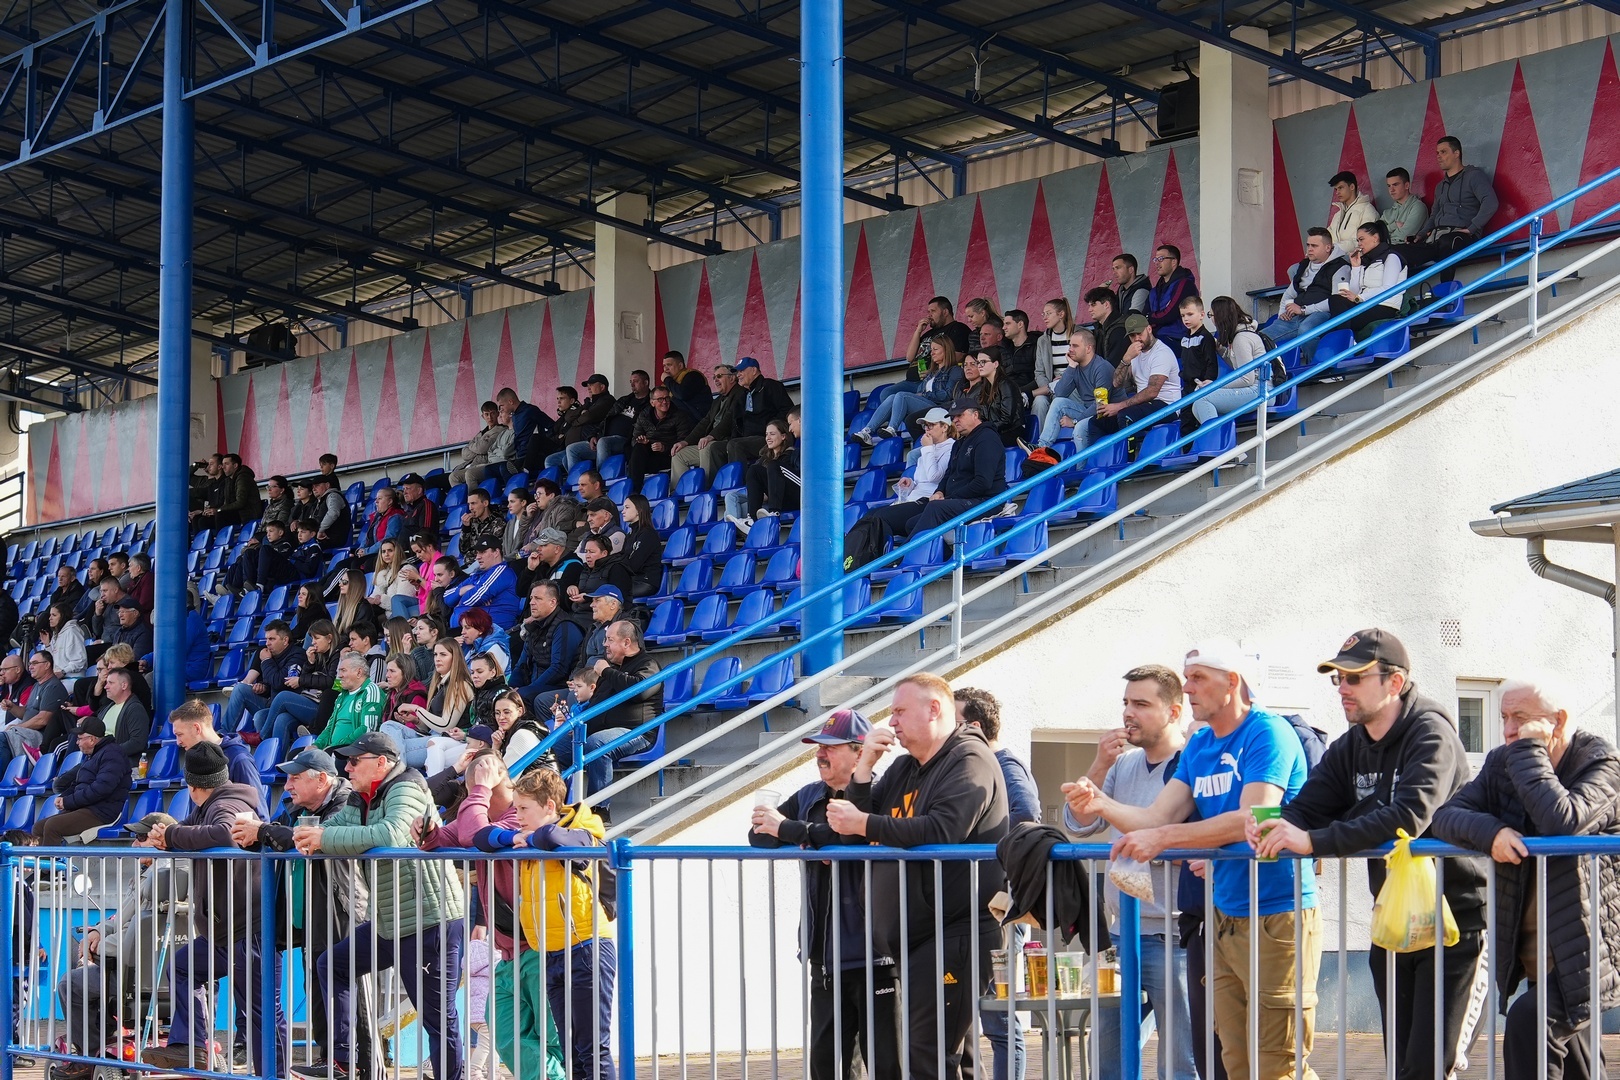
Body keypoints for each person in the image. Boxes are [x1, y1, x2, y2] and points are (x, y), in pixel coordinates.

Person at [1063, 643, 1319, 1080]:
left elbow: (1253, 817)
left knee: (1278, 1061)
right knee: (1234, 1060)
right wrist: (1101, 804)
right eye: (1187, 677)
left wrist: (1162, 838)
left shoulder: (1268, 732)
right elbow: (1155, 817)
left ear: (1232, 682)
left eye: (1198, 678)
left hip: (1277, 911)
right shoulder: (1200, 743)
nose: (1188, 687)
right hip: (1222, 914)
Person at [1252, 629, 1488, 1080]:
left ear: (1394, 682)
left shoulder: (1431, 732)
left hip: (1455, 924)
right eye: (1338, 678)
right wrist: (1272, 827)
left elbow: (1409, 816)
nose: (1343, 687)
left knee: (1430, 1067)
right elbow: (1307, 808)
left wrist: (1315, 841)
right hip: (1394, 923)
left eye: (1355, 678)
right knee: (1401, 1067)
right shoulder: (1351, 745)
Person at [1432, 673, 1620, 1080]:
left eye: (1520, 718)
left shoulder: (1601, 763)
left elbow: (1561, 820)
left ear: (1559, 720)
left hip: (1592, 952)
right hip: (1538, 953)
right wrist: (1492, 833)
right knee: (1580, 1064)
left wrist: (1529, 752)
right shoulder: (1503, 763)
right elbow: (1445, 816)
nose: (1508, 730)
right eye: (1503, 717)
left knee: (1529, 1024)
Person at [825, 674, 1008, 1080]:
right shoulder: (906, 767)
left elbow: (943, 829)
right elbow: (852, 832)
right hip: (917, 937)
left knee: (928, 1057)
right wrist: (863, 769)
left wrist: (865, 823)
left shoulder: (971, 759)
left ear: (934, 709)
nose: (892, 722)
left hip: (955, 931)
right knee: (949, 1058)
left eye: (899, 711)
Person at [291, 731, 467, 1080]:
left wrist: (323, 838)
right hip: (392, 920)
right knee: (333, 964)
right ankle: (344, 1062)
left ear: (382, 763)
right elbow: (329, 828)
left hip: (428, 919)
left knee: (437, 1019)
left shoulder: (406, 786)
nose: (347, 767)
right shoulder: (362, 797)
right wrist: (289, 834)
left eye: (355, 761)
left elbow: (391, 834)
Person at [1062, 665, 1197, 1080]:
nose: (1128, 713)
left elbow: (1193, 838)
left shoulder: (1192, 763)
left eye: (1141, 704)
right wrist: (1100, 763)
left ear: (1174, 712)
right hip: (1121, 934)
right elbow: (1077, 824)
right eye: (1125, 703)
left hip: (1174, 936)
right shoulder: (1123, 765)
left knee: (1180, 1061)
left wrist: (1154, 846)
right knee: (1109, 1057)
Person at [750, 709, 899, 1080]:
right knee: (826, 1068)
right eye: (818, 746)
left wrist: (796, 832)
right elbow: (759, 836)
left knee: (888, 1066)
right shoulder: (810, 795)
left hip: (877, 957)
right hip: (826, 958)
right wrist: (799, 832)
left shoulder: (880, 794)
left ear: (859, 752)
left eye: (830, 747)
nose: (820, 753)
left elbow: (847, 837)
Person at [229, 747, 374, 1080]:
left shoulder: (346, 802)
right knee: (320, 991)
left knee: (350, 997)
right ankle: (330, 1060)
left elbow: (310, 840)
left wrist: (262, 831)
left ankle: (360, 1066)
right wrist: (251, 833)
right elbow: (276, 835)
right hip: (310, 916)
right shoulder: (296, 808)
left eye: (295, 778)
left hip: (341, 912)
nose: (288, 785)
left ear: (321, 779)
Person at [142, 743, 287, 1075]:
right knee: (183, 968)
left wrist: (173, 835)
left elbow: (225, 834)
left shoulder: (227, 804)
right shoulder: (209, 805)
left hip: (249, 928)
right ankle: (190, 1045)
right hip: (224, 930)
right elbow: (186, 831)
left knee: (262, 1011)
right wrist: (165, 838)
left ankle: (274, 1075)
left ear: (193, 786)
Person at [472, 767, 614, 1080]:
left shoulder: (580, 830)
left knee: (593, 1049)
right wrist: (512, 836)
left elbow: (553, 836)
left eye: (524, 808)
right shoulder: (526, 837)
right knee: (570, 1049)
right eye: (516, 808)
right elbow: (480, 838)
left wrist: (531, 837)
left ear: (550, 806)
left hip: (586, 947)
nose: (517, 815)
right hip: (551, 952)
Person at [53, 813, 187, 1075]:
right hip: (179, 978)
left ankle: (90, 1055)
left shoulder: (155, 878)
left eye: (141, 837)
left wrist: (96, 948)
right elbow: (123, 920)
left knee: (71, 984)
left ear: (160, 839)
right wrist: (98, 931)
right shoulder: (183, 876)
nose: (134, 844)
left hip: (136, 976)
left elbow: (133, 934)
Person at [954, 689, 1037, 1080]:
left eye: (953, 723)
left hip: (1001, 908)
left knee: (999, 1019)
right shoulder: (974, 766)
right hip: (979, 907)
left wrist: (986, 844)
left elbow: (1027, 815)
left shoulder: (1005, 765)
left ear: (974, 726)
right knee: (977, 1013)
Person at [852, 400, 1005, 544]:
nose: (955, 420)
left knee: (934, 508)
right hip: (958, 499)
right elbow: (948, 475)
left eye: (960, 415)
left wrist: (949, 497)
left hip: (986, 501)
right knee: (910, 523)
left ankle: (905, 556)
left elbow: (983, 482)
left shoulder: (987, 439)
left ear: (975, 415)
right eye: (953, 417)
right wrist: (939, 492)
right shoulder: (960, 443)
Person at [564, 620, 661, 804]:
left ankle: (599, 810)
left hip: (637, 733)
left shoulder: (648, 664)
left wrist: (607, 671)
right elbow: (596, 703)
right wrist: (578, 725)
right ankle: (554, 808)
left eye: (609, 639)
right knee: (554, 746)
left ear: (626, 642)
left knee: (596, 744)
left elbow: (640, 692)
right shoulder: (611, 669)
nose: (604, 644)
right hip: (603, 730)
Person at [1074, 314, 1182, 456]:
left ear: (1149, 329)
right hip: (1144, 406)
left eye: (1139, 333)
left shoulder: (1162, 353)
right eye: (1132, 335)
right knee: (1096, 423)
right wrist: (1126, 359)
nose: (1136, 338)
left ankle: (1127, 462)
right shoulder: (1134, 354)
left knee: (1125, 416)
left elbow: (1152, 392)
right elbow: (1117, 383)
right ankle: (1098, 462)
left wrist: (1119, 406)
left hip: (1168, 406)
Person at [1402, 136, 1500, 283]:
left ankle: (1446, 292)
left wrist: (1472, 228)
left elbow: (1491, 202)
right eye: (1437, 153)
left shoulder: (1473, 176)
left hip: (1463, 237)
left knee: (1448, 241)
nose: (1439, 156)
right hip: (1437, 237)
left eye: (1443, 152)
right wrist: (1420, 235)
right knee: (1399, 251)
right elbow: (1434, 215)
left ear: (1456, 153)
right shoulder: (1440, 186)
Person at [36, 716, 130, 844]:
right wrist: (64, 796)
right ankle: (41, 857)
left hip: (101, 811)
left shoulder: (112, 754)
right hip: (86, 807)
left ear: (92, 739)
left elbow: (101, 789)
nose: (77, 742)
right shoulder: (93, 755)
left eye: (80, 739)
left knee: (52, 826)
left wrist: (68, 802)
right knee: (38, 828)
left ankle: (52, 857)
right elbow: (78, 783)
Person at [853, 337, 962, 445]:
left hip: (938, 408)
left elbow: (947, 395)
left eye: (935, 349)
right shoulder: (931, 373)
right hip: (926, 405)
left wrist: (924, 394)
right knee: (892, 397)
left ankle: (892, 428)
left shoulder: (954, 370)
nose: (932, 353)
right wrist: (921, 394)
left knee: (902, 395)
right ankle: (867, 432)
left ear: (946, 350)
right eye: (931, 349)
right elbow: (919, 391)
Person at [170, 698, 268, 814]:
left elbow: (259, 814)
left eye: (179, 734)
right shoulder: (194, 758)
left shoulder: (239, 759)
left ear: (197, 728)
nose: (178, 742)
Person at [1266, 229, 1347, 360]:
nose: (1309, 249)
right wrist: (1282, 313)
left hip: (1322, 313)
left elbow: (1337, 300)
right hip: (1297, 315)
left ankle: (1317, 368)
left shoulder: (1341, 267)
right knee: (1258, 338)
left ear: (1328, 248)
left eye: (1314, 246)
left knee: (1306, 330)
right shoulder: (1303, 266)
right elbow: (1289, 294)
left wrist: (1304, 310)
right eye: (1308, 245)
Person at [1190, 297, 1270, 426]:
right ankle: (1216, 436)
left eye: (1211, 315)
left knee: (1203, 399)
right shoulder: (1239, 336)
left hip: (1259, 390)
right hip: (1256, 388)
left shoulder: (1241, 338)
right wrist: (1219, 348)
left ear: (1221, 317)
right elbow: (1237, 364)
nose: (1211, 319)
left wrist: (1215, 385)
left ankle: (1215, 437)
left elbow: (1247, 379)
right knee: (1196, 405)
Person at [1031, 330, 1114, 452]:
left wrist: (1075, 421)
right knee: (1058, 402)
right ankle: (1042, 447)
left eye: (1075, 346)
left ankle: (1081, 464)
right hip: (1088, 411)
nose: (1070, 349)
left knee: (1079, 427)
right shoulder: (1076, 366)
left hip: (1108, 415)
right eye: (1070, 345)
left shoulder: (1101, 367)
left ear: (1088, 348)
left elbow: (1100, 405)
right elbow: (1059, 393)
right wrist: (1071, 366)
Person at [1328, 220, 1407, 337]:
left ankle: (1346, 341)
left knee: (1336, 315)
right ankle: (1346, 340)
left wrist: (1360, 298)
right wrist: (1355, 267)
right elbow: (1354, 291)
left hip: (1385, 306)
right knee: (1335, 300)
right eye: (1358, 241)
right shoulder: (1365, 261)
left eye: (1361, 239)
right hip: (1365, 305)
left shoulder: (1391, 257)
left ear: (1375, 238)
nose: (1359, 244)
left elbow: (1388, 288)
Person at [668, 365, 744, 484]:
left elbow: (729, 420)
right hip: (713, 442)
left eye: (719, 376)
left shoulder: (740, 394)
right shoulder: (717, 400)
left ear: (732, 378)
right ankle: (679, 491)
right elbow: (705, 422)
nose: (716, 380)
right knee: (679, 454)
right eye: (714, 377)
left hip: (729, 441)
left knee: (706, 447)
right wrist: (685, 442)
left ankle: (706, 488)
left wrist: (710, 436)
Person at [514, 581, 586, 706]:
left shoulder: (565, 626)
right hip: (534, 684)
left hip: (559, 686)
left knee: (522, 696)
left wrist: (528, 689)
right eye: (531, 598)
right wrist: (511, 688)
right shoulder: (534, 625)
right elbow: (521, 664)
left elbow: (559, 669)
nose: (531, 602)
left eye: (538, 598)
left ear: (552, 602)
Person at [222, 618, 297, 732]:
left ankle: (264, 740)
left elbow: (280, 683)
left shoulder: (296, 655)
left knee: (259, 717)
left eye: (272, 639)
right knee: (240, 689)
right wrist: (263, 688)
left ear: (285, 640)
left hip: (286, 709)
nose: (267, 643)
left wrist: (266, 660)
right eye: (266, 639)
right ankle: (224, 733)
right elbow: (270, 684)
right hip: (269, 703)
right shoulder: (269, 653)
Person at [1, 651, 68, 764]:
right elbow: (26, 713)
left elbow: (42, 720)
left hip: (38, 736)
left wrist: (18, 727)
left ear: (47, 665)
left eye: (35, 663)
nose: (30, 667)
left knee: (2, 739)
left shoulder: (53, 686)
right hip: (25, 732)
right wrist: (12, 707)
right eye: (30, 664)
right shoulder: (36, 685)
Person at [723, 357, 793, 465]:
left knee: (735, 445)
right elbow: (736, 423)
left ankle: (740, 477)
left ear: (754, 370)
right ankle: (723, 477)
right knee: (715, 448)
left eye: (742, 371)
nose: (738, 375)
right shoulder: (742, 395)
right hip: (745, 439)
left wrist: (770, 428)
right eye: (737, 372)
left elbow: (787, 409)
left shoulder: (770, 386)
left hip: (765, 437)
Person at [446, 537, 522, 630]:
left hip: (493, 632)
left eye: (482, 552)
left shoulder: (501, 572)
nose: (477, 557)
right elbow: (447, 598)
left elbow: (473, 599)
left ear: (496, 552)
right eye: (477, 553)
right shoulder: (478, 574)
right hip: (471, 631)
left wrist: (459, 602)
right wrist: (465, 589)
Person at [314, 653, 385, 752]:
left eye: (343, 670)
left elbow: (367, 730)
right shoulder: (341, 696)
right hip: (333, 748)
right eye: (339, 671)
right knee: (296, 753)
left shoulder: (371, 691)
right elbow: (329, 727)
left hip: (354, 750)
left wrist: (336, 746)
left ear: (359, 672)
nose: (340, 676)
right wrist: (317, 745)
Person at [551, 374, 618, 470]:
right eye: (588, 385)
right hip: (581, 443)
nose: (588, 388)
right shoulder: (590, 402)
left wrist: (576, 421)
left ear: (602, 387)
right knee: (551, 460)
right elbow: (569, 416)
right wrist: (583, 410)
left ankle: (581, 479)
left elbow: (588, 416)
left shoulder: (607, 400)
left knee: (572, 450)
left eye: (592, 385)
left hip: (593, 442)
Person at [627, 387, 690, 488]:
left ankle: (634, 490)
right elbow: (634, 439)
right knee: (638, 449)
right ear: (652, 402)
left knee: (635, 465)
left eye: (667, 398)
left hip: (669, 457)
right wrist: (642, 441)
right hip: (648, 455)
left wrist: (664, 447)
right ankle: (634, 490)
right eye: (660, 399)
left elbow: (683, 442)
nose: (664, 402)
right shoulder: (644, 415)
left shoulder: (679, 416)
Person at [903, 297, 972, 382]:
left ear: (945, 312)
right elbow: (910, 357)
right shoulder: (928, 333)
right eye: (928, 312)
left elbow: (958, 356)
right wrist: (918, 331)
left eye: (933, 311)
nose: (929, 315)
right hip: (911, 380)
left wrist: (934, 372)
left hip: (933, 380)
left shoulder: (958, 328)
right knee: (889, 389)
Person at [92, 667, 151, 764]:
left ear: (124, 685)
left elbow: (137, 742)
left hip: (119, 763)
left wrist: (109, 752)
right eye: (106, 683)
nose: (106, 687)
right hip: (99, 760)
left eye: (111, 683)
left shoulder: (135, 709)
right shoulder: (107, 708)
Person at [451, 401, 512, 487]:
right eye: (486, 414)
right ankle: (465, 496)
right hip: (472, 464)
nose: (490, 417)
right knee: (453, 477)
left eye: (492, 413)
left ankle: (474, 495)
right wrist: (477, 447)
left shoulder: (500, 430)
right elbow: (465, 454)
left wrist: (472, 446)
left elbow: (483, 448)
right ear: (483, 416)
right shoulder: (480, 433)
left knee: (469, 474)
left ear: (497, 414)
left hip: (486, 463)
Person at [1146, 246, 1198, 348]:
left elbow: (1170, 314)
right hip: (1157, 338)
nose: (1157, 263)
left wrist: (1150, 316)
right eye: (1155, 259)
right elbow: (1144, 315)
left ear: (1174, 262)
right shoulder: (1154, 291)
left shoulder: (1184, 284)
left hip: (1178, 339)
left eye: (1161, 259)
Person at [618, 496, 664, 597]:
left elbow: (633, 565)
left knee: (610, 596)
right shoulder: (630, 535)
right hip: (632, 581)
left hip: (645, 582)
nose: (623, 511)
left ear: (639, 510)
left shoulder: (648, 534)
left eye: (627, 507)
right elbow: (622, 559)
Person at [1326, 171, 1378, 255]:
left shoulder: (1367, 210)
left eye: (1340, 188)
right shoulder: (1337, 215)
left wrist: (1337, 248)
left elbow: (1366, 241)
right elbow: (1326, 238)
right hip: (1335, 258)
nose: (1337, 192)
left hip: (1356, 260)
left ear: (1352, 187)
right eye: (1336, 189)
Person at [1084, 287, 1131, 365]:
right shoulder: (1100, 329)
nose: (1089, 309)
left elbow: (1113, 366)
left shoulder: (1119, 331)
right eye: (1089, 306)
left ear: (1106, 304)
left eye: (1093, 305)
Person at [660, 350, 712, 421]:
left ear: (680, 366)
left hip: (699, 421)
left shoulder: (693, 375)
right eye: (664, 366)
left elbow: (682, 395)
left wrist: (667, 379)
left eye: (669, 365)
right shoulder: (670, 382)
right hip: (679, 421)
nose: (666, 369)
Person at [1381, 168, 1429, 245]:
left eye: (1395, 185)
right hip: (1387, 249)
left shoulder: (1418, 207)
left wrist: (1383, 238)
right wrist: (1394, 226)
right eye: (1389, 186)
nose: (1391, 190)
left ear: (1407, 185)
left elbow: (1402, 237)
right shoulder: (1387, 213)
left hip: (1406, 250)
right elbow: (1374, 234)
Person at [356, 486, 406, 556]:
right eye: (376, 499)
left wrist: (367, 551)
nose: (376, 501)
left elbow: (388, 540)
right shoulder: (377, 516)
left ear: (390, 501)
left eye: (379, 498)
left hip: (386, 554)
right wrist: (361, 549)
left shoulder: (395, 516)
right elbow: (367, 537)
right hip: (374, 553)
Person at [310, 474, 352, 548]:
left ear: (327, 485)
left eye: (317, 486)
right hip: (323, 538)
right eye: (313, 487)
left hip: (333, 538)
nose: (314, 489)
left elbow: (333, 513)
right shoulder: (318, 502)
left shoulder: (333, 496)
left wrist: (321, 530)